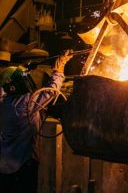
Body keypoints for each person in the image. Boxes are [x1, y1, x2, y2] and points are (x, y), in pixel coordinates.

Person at [0, 50, 73, 193]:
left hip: (3, 166)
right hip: (22, 166)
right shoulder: (26, 103)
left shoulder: (4, 102)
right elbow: (51, 91)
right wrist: (60, 67)